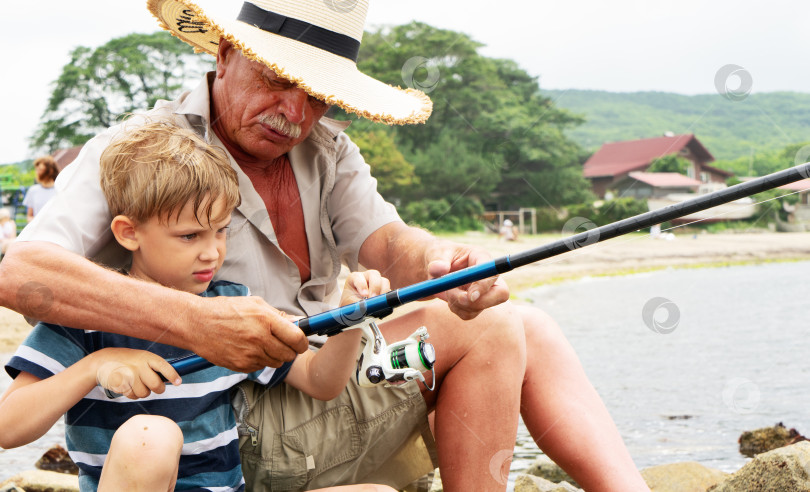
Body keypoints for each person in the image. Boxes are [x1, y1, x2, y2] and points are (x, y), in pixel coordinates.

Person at [0, 1, 650, 490]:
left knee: (507, 317)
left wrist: (443, 266)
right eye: (275, 79)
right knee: (499, 332)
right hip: (212, 413)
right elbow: (20, 272)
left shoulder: (326, 148)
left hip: (308, 378)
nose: (294, 111)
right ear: (222, 54)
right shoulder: (138, 147)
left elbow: (388, 241)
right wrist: (196, 323)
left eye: (316, 94)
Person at [0, 121, 395, 492]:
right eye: (190, 236)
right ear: (129, 232)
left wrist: (351, 317)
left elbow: (321, 382)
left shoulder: (232, 310)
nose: (212, 253)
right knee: (151, 436)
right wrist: (94, 366)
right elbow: (8, 427)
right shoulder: (83, 322)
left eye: (221, 231)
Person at [22, 155, 59, 222]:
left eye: (40, 169)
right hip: (39, 230)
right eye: (37, 169)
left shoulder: (60, 190)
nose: (37, 172)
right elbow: (29, 216)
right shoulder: (33, 190)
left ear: (51, 170)